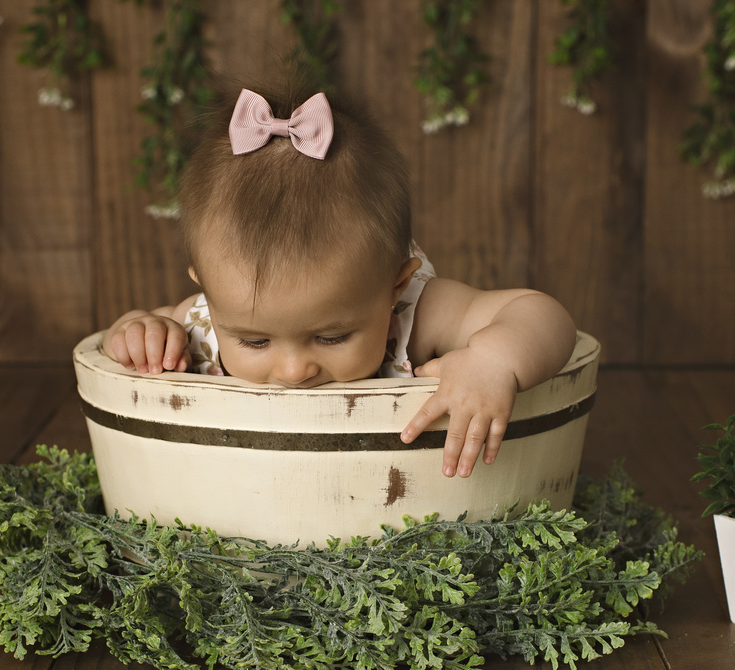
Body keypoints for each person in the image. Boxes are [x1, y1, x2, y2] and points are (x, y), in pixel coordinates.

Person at [103, 84, 576, 479]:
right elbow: (124, 340)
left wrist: (493, 361)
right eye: (253, 340)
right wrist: (141, 330)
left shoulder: (417, 312)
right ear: (208, 294)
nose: (293, 371)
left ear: (394, 287)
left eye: (331, 336)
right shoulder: (204, 321)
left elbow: (543, 315)